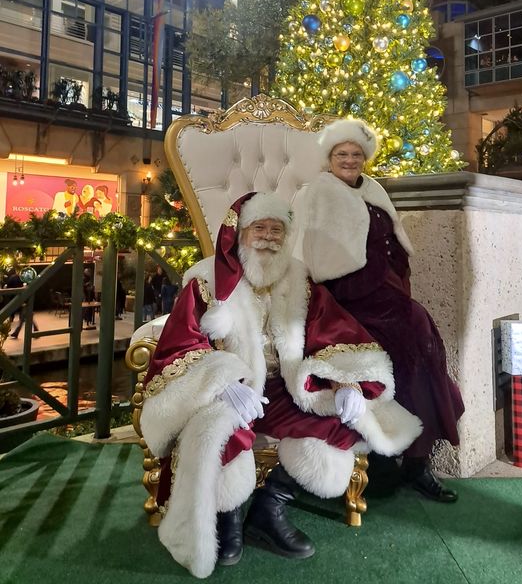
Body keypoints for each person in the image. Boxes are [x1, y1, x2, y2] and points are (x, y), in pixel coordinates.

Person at [139, 192, 422, 579]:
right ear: (241, 232)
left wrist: (345, 384)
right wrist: (222, 381)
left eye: (277, 230)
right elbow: (180, 343)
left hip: (286, 387)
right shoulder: (206, 280)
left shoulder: (299, 278)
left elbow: (333, 330)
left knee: (342, 422)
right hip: (232, 392)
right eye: (260, 228)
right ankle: (227, 517)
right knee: (218, 436)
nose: (269, 237)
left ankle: (268, 509)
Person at [302, 119, 465, 504]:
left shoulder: (373, 189)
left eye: (356, 154)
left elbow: (393, 242)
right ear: (330, 157)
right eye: (342, 154)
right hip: (345, 300)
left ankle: (416, 461)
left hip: (386, 292)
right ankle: (395, 458)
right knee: (408, 342)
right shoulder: (316, 193)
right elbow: (307, 256)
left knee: (422, 339)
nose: (349, 160)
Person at [5, 268, 38, 339]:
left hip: (20, 300)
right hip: (24, 300)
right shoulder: (25, 278)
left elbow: (9, 288)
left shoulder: (14, 278)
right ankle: (35, 330)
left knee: (25, 316)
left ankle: (17, 333)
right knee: (26, 316)